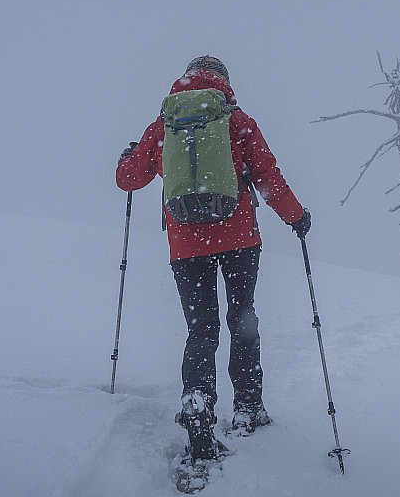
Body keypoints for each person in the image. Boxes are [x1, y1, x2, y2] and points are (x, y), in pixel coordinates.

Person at [116, 55, 311, 459]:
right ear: (223, 82)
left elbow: (128, 180)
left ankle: (198, 400)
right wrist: (297, 216)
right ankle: (247, 408)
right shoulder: (237, 121)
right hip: (239, 239)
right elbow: (269, 179)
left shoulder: (164, 125)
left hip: (187, 247)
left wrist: (127, 157)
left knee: (202, 328)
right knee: (242, 317)